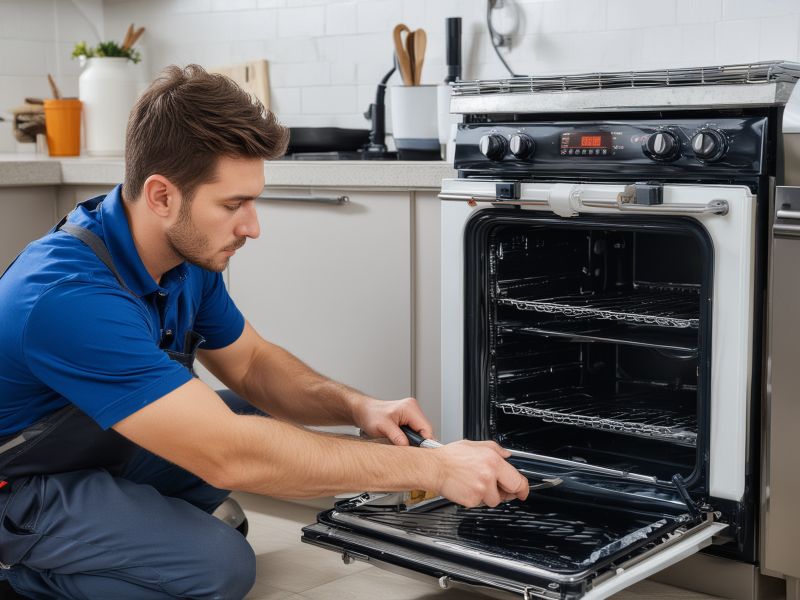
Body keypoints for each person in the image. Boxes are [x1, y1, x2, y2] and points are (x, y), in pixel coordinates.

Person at [0, 64, 529, 600]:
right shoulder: (69, 296)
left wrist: (358, 407)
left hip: (99, 454)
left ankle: (134, 534)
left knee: (251, 413)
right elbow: (229, 453)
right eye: (233, 205)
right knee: (217, 569)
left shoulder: (185, 257)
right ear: (161, 197)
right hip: (20, 486)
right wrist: (431, 468)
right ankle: (20, 571)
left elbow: (252, 364)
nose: (253, 226)